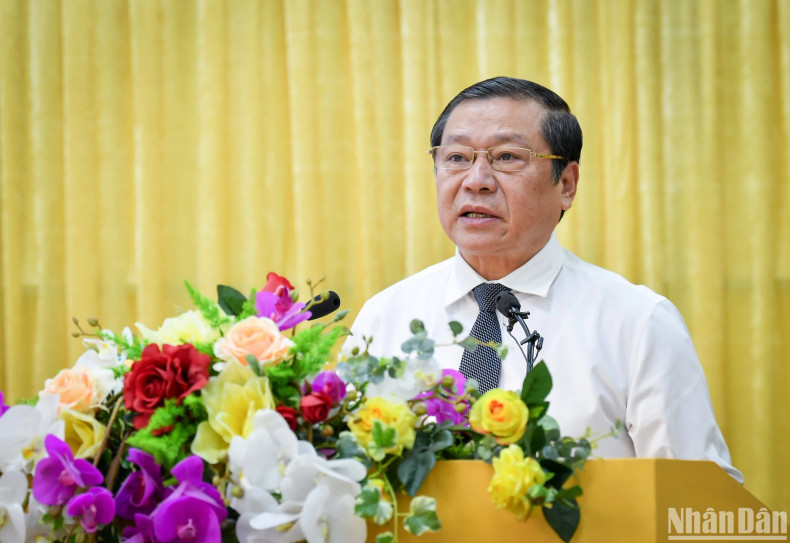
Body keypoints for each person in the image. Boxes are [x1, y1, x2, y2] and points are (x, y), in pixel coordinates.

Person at [348, 76, 742, 482]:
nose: (475, 180)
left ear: (566, 184)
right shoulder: (384, 317)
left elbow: (700, 498)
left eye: (506, 157)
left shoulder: (637, 323)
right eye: (456, 157)